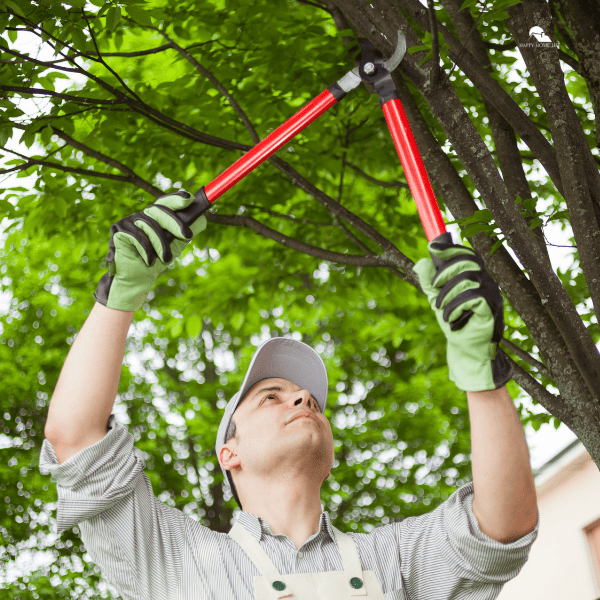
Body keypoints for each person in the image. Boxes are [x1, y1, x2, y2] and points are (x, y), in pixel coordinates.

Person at [40, 192, 540, 600]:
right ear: (227, 453)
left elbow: (502, 528)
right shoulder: (174, 559)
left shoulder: (395, 559)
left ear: (330, 459)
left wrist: (482, 372)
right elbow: (76, 438)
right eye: (272, 397)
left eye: (311, 402)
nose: (302, 401)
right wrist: (120, 293)